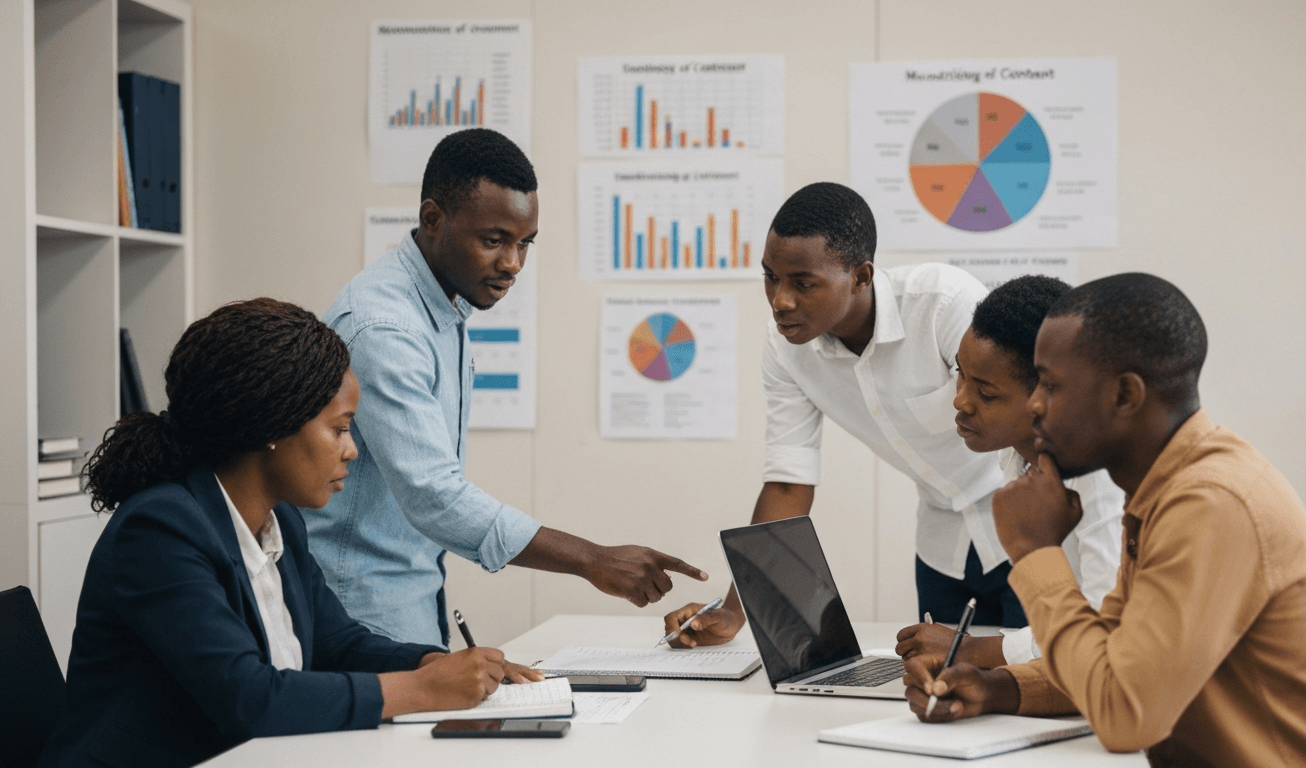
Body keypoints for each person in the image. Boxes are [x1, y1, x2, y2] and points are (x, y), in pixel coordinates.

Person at [38, 299, 542, 768]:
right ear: (272, 427)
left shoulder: (281, 522)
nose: (351, 450)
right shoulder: (160, 531)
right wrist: (425, 690)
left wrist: (434, 663)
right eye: (339, 428)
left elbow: (334, 642)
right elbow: (249, 698)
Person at [902, 274, 1306, 766]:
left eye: (1052, 386)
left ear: (1125, 396)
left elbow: (1124, 715)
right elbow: (1109, 660)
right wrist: (995, 688)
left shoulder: (1211, 504)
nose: (1035, 405)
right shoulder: (1163, 488)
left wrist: (1036, 552)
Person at [304, 128, 705, 648]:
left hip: (408, 594)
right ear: (433, 220)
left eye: (524, 244)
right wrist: (591, 559)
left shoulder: (441, 306)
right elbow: (433, 495)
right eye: (494, 241)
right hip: (360, 609)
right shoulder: (386, 328)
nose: (512, 263)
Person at [665, 181, 1015, 646]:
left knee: (1037, 673)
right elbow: (788, 484)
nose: (780, 300)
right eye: (770, 277)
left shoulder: (944, 305)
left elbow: (1025, 420)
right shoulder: (787, 349)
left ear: (861, 277)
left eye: (803, 283)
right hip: (943, 548)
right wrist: (734, 612)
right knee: (945, 679)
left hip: (1029, 529)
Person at [894, 274, 1122, 668]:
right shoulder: (1018, 456)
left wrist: (970, 651)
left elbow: (1106, 631)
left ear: (1048, 395)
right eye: (960, 374)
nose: (960, 402)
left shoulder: (1100, 474)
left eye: (986, 393)